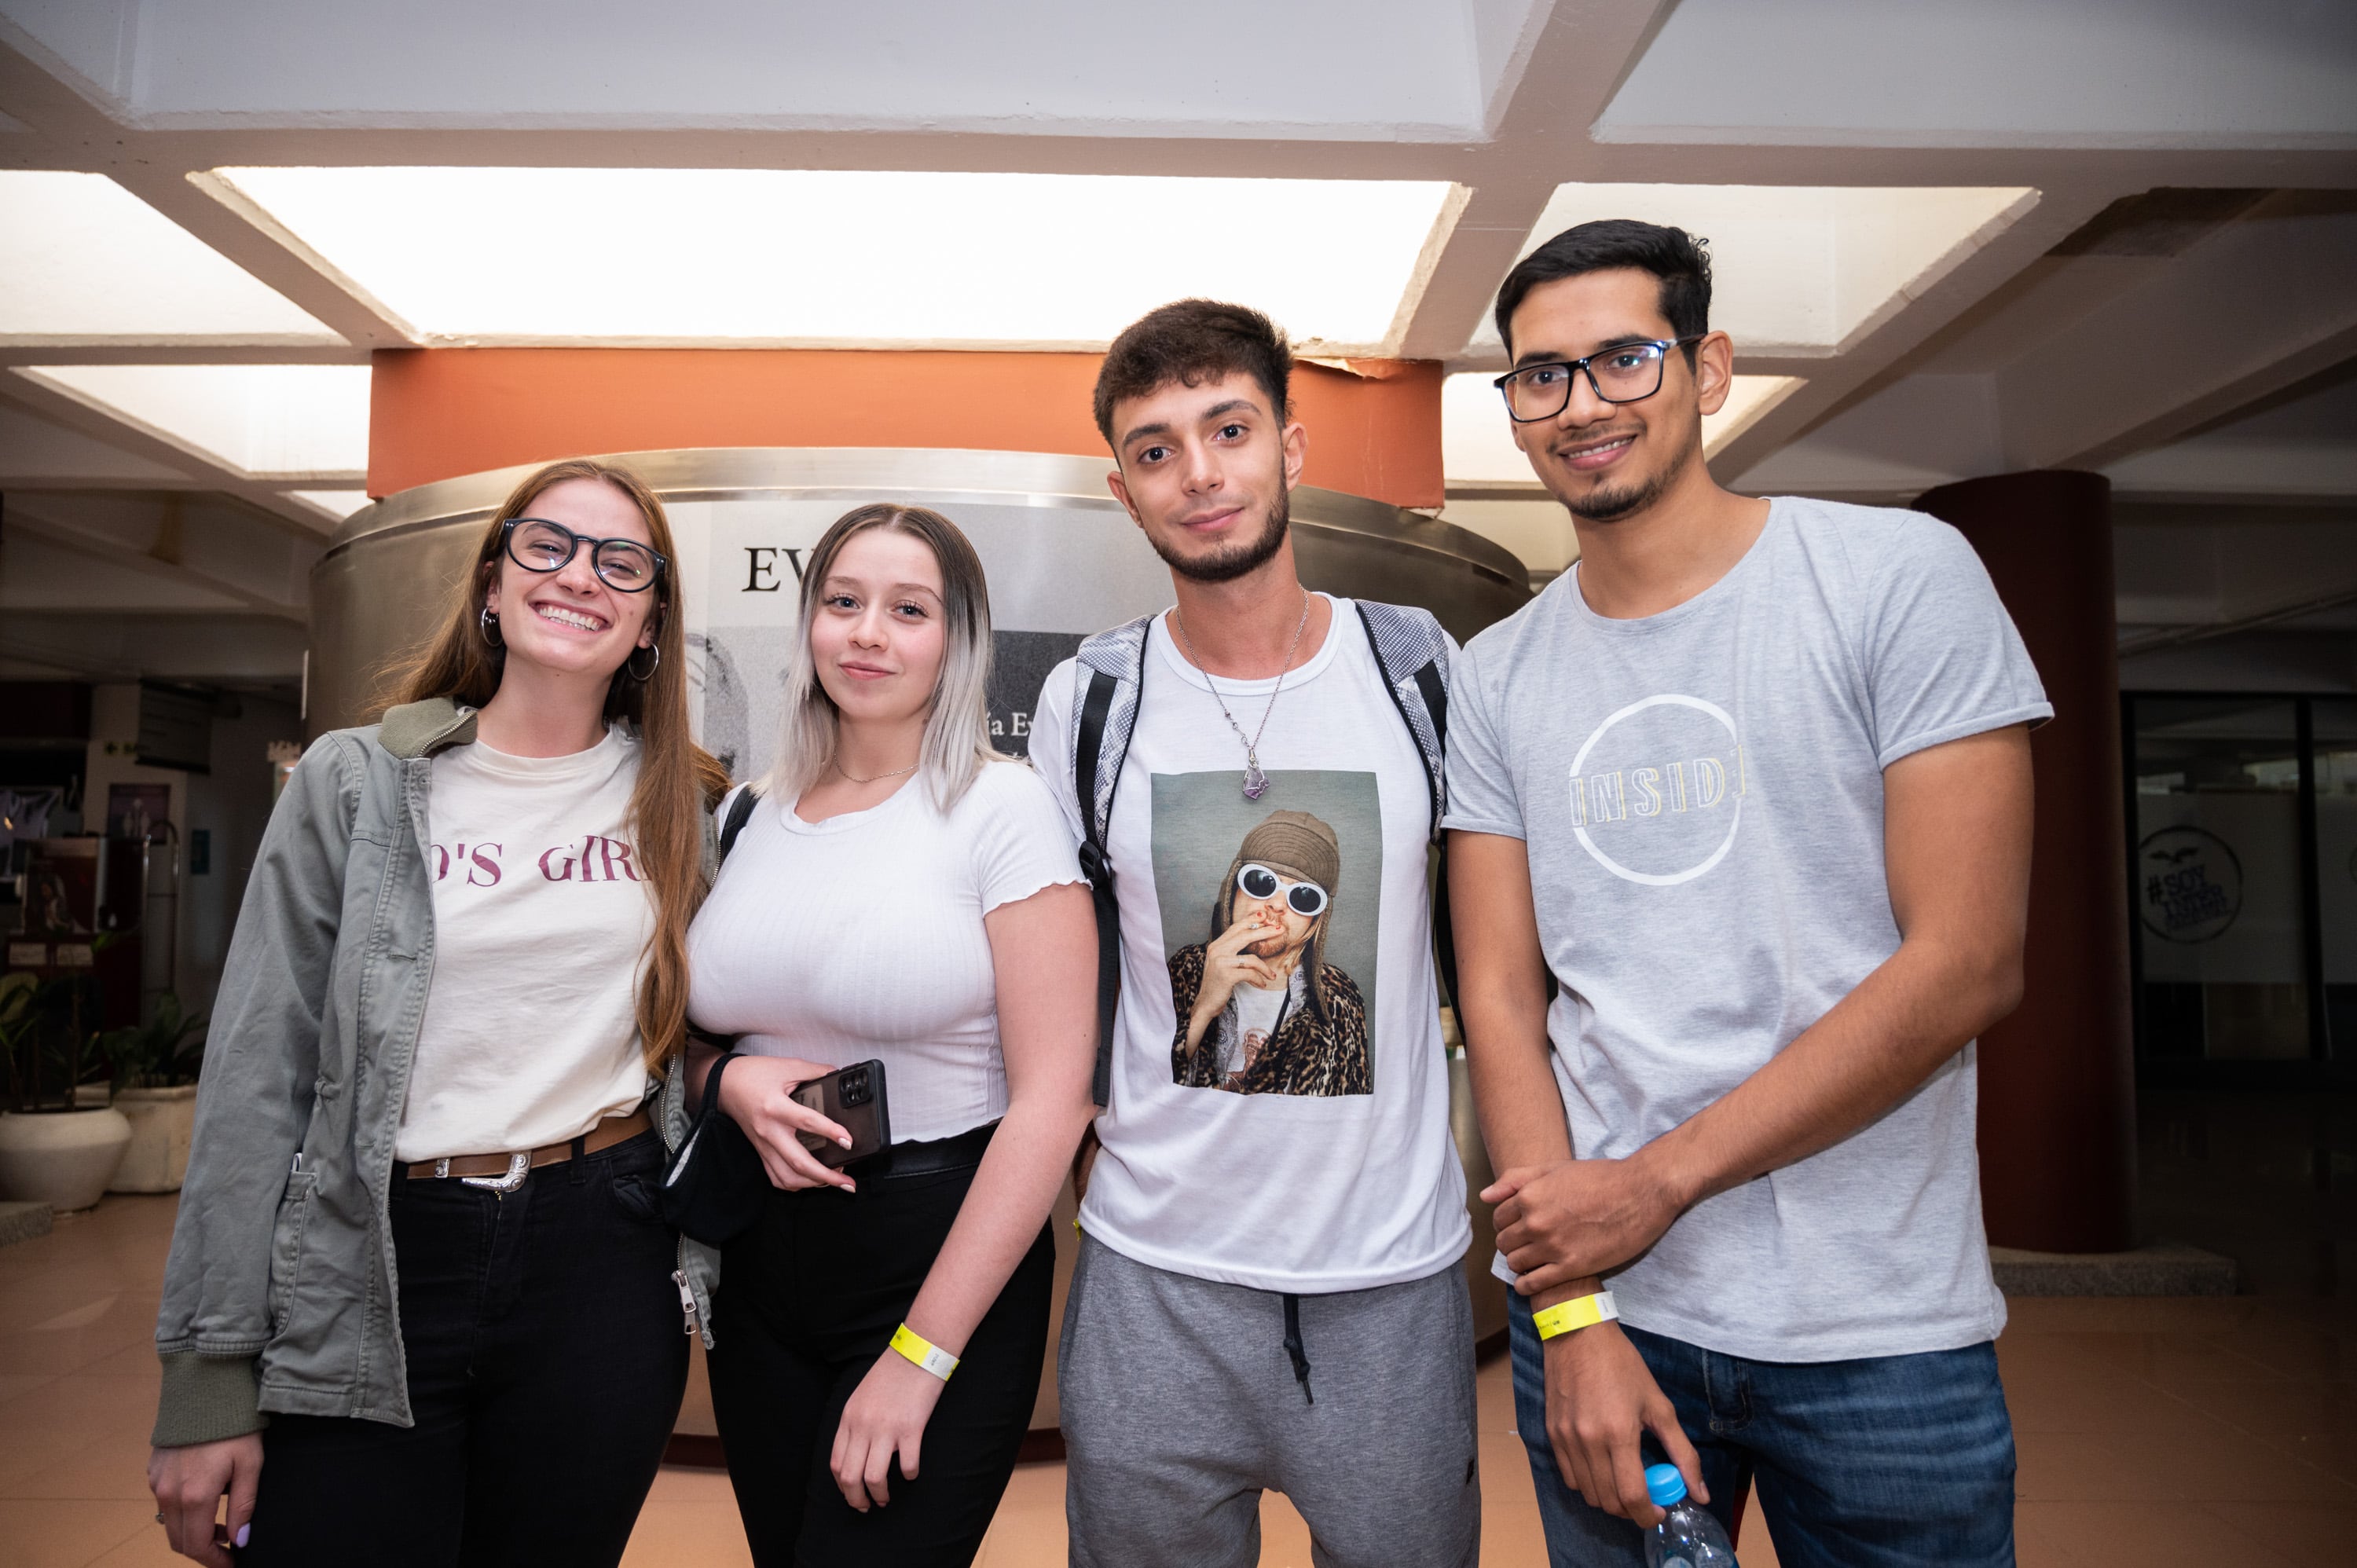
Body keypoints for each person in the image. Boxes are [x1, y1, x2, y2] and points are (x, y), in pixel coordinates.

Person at [1446, 218, 2049, 1566]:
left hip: (1881, 1330)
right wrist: (1574, 1310)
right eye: (1541, 376)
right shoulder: (1496, 675)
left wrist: (1653, 1186)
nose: (1582, 404)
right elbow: (1500, 988)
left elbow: (1967, 962)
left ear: (1708, 368)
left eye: (1623, 359)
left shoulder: (1896, 580)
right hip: (1612, 1323)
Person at [146, 458, 728, 1567]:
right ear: (493, 585)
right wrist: (207, 1377)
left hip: (600, 1251)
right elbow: (257, 1073)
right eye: (546, 546)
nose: (580, 578)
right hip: (376, 1248)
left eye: (622, 563)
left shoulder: (686, 803)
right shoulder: (354, 781)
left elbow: (720, 1026)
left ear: (651, 620)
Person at [1030, 299, 1479, 1568]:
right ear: (1125, 490)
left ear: (1291, 443)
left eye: (1229, 429)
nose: (1201, 473)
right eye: (1158, 448)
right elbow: (1056, 1004)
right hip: (1153, 1277)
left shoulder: (1415, 666)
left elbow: (1505, 958)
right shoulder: (1094, 697)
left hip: (1387, 1279)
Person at [683, 504, 1098, 1567]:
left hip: (933, 1261)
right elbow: (685, 1042)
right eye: (844, 603)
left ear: (955, 643)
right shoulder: (751, 817)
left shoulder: (1003, 811)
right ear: (810, 626)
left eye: (908, 610)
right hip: (762, 1278)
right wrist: (727, 1083)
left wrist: (923, 1353)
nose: (868, 633)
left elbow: (1056, 1098)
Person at [1170, 808, 1369, 1094]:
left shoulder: (1341, 999)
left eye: (1303, 896)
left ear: (1316, 922)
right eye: (1262, 882)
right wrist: (1202, 1010)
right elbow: (1146, 1090)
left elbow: (1352, 1111)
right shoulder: (1185, 969)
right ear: (1233, 890)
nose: (1276, 906)